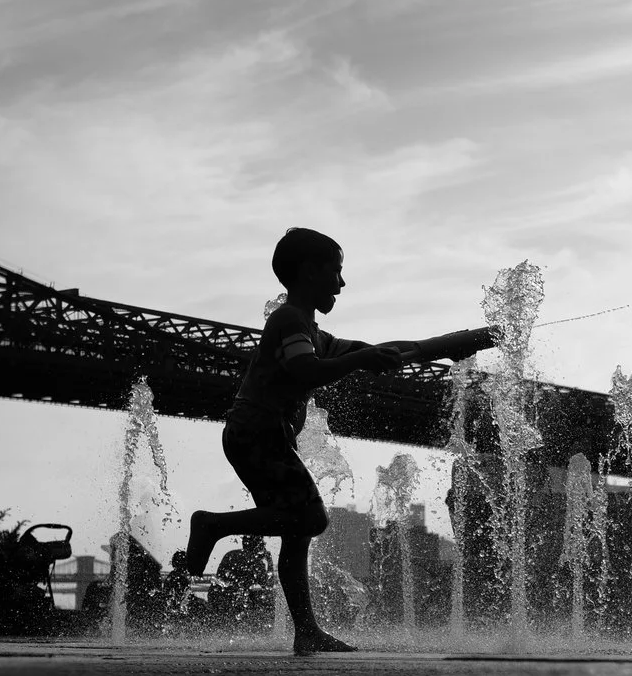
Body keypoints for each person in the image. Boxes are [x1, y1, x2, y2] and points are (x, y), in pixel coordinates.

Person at [181, 228, 496, 654]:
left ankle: (306, 632)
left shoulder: (313, 332)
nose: (342, 284)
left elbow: (389, 350)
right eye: (337, 272)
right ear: (311, 272)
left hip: (257, 434)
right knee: (310, 519)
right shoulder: (290, 320)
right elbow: (304, 372)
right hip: (257, 432)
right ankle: (213, 524)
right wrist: (362, 359)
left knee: (296, 530)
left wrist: (448, 346)